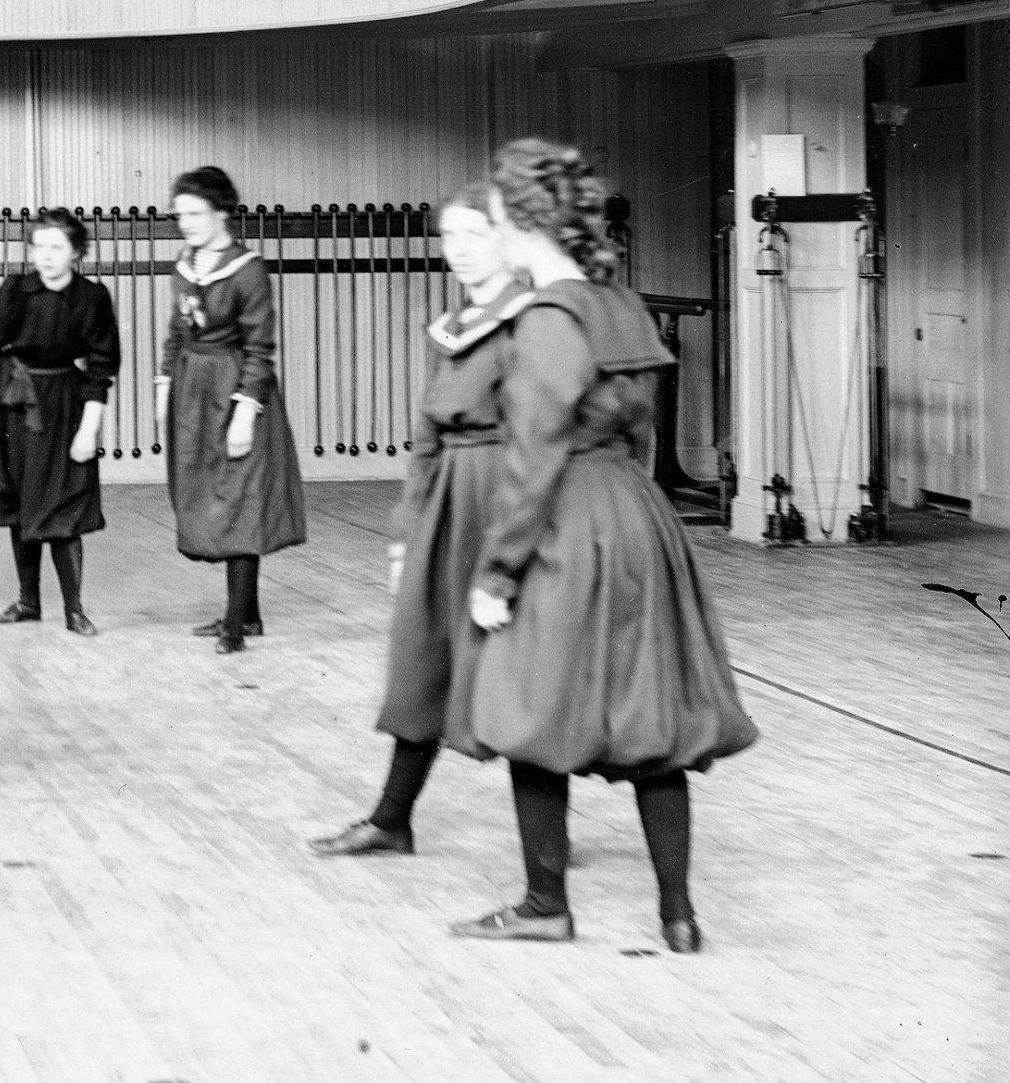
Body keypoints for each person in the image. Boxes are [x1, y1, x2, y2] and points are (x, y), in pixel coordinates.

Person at [444, 139, 758, 954]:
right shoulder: (618, 303)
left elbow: (535, 455)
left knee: (527, 707)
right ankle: (678, 915)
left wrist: (497, 572)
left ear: (518, 222)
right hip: (638, 519)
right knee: (649, 717)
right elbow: (642, 429)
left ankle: (545, 902)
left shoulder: (548, 318)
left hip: (568, 522)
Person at [311, 184, 522, 857]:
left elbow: (542, 441)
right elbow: (427, 435)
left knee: (521, 668)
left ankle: (551, 837)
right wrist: (407, 528)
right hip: (447, 509)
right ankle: (391, 818)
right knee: (423, 658)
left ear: (506, 238)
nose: (457, 250)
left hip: (508, 504)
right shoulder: (451, 327)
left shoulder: (532, 323)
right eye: (448, 237)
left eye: (472, 235)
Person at [157, 165, 307, 655]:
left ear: (222, 212)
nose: (187, 223)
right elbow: (177, 333)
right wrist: (165, 387)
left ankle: (235, 626)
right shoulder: (186, 266)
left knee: (239, 501)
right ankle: (249, 613)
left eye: (196, 213)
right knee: (210, 497)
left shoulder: (248, 270)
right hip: (194, 394)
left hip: (235, 390)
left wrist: (246, 412)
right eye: (180, 214)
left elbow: (261, 349)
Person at [0, 207, 121, 636]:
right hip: (12, 402)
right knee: (20, 502)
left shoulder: (91, 298)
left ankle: (74, 610)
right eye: (39, 246)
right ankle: (28, 602)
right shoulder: (16, 290)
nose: (47, 256)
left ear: (76, 252)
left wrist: (89, 429)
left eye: (57, 247)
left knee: (63, 502)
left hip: (64, 406)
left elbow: (101, 367)